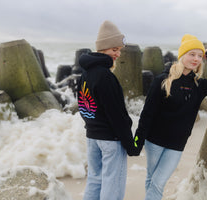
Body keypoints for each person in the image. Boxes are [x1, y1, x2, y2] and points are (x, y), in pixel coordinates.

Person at [135, 34, 207, 200]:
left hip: (176, 145)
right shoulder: (162, 81)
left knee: (158, 182)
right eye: (191, 54)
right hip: (154, 142)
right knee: (152, 178)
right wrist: (137, 142)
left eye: (199, 56)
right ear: (182, 55)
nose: (196, 59)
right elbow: (147, 114)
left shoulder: (198, 85)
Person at [77, 20, 140, 200]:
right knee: (113, 183)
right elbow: (117, 116)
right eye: (114, 50)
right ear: (103, 49)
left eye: (119, 49)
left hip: (92, 137)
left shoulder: (86, 73)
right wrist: (130, 145)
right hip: (111, 140)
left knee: (95, 179)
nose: (118, 54)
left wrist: (92, 125)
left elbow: (83, 104)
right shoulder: (106, 76)